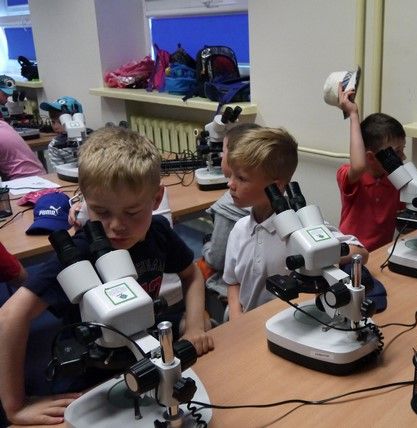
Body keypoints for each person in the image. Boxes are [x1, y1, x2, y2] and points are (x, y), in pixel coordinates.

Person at [0, 126, 214, 426]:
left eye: (132, 212)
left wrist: (193, 327)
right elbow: (10, 316)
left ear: (156, 199)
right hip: (90, 376)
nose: (116, 226)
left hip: (146, 356)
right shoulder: (78, 254)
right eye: (101, 212)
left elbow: (191, 275)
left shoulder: (158, 233)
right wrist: (15, 406)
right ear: (85, 199)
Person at [222, 127, 369, 320]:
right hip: (249, 324)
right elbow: (232, 281)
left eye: (241, 178)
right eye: (231, 175)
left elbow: (361, 252)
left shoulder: (303, 229)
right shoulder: (239, 230)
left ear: (275, 186)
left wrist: (318, 253)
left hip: (293, 321)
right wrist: (236, 315)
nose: (230, 184)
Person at [336, 84, 407, 252]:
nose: (403, 157)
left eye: (403, 150)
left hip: (380, 256)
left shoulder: (396, 180)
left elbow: (405, 220)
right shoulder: (349, 176)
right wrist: (353, 115)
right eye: (396, 152)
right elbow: (359, 166)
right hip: (352, 254)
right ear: (370, 157)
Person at [201, 123, 259, 293]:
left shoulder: (228, 207)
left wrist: (207, 245)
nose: (221, 155)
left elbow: (217, 260)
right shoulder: (278, 200)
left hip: (237, 288)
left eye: (224, 151)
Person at [0, 75, 46, 180]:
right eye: (4, 94)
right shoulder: (3, 124)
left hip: (23, 181)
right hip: (37, 177)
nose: (7, 98)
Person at [39, 96, 87, 167]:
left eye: (60, 122)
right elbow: (59, 169)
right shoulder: (54, 146)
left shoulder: (92, 139)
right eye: (53, 122)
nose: (55, 127)